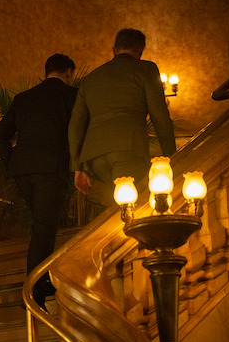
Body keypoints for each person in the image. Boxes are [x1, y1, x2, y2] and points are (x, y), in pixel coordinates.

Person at [0, 53, 78, 310]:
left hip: (23, 172)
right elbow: (79, 131)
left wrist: (12, 162)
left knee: (43, 226)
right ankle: (32, 293)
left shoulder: (24, 98)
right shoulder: (70, 96)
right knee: (44, 229)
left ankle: (42, 283)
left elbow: (0, 135)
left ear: (47, 71)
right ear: (69, 72)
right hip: (50, 170)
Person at [68, 28, 176, 213]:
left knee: (115, 208)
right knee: (132, 209)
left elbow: (75, 125)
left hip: (94, 159)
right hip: (127, 148)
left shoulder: (91, 78)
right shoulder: (146, 69)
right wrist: (172, 155)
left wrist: (78, 167)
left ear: (114, 50)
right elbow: (160, 116)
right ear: (140, 51)